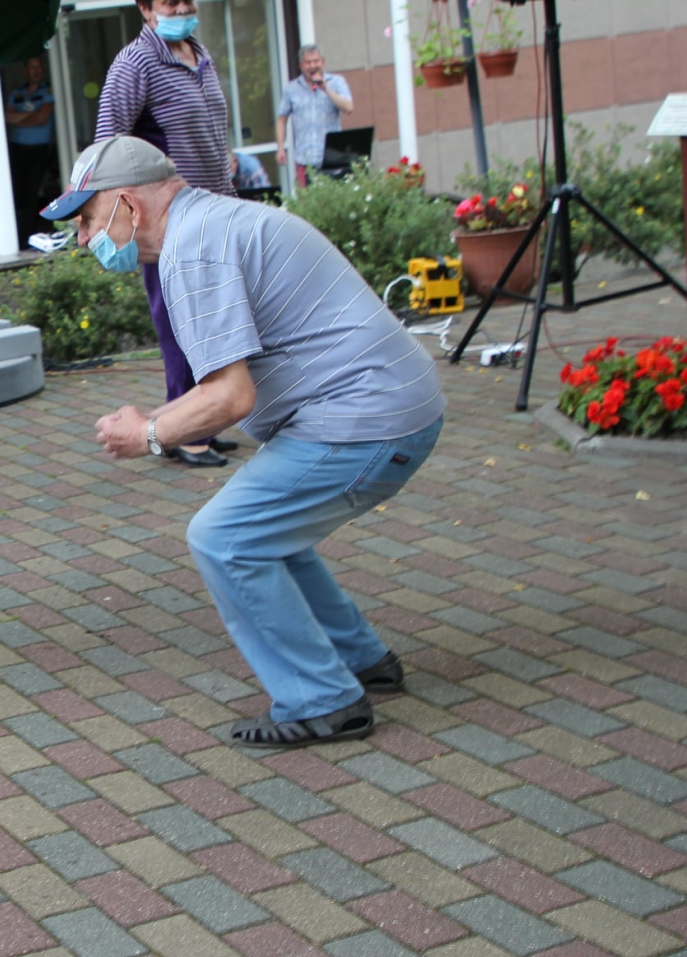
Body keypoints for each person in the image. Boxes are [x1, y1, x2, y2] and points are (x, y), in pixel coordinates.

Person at [45, 136, 446, 747]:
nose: (82, 239)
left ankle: (324, 702)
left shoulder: (192, 251)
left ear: (127, 203)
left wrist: (147, 435)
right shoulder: (209, 224)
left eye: (87, 219)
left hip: (368, 420)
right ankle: (361, 660)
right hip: (393, 406)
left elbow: (231, 398)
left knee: (224, 538)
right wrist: (157, 419)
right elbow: (225, 390)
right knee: (264, 530)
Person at [94, 0, 236, 470]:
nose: (181, 10)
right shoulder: (135, 63)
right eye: (170, 2)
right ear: (145, 7)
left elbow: (210, 129)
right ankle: (181, 434)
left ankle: (204, 423)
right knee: (179, 322)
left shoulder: (199, 54)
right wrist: (119, 213)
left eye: (187, 0)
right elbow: (108, 142)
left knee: (215, 322)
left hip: (214, 207)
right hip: (167, 217)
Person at [275, 45, 354, 187]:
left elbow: (348, 108)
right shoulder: (291, 89)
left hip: (331, 159)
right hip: (305, 160)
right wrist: (280, 147)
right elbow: (281, 119)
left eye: (316, 61)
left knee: (334, 197)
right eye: (308, 62)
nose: (312, 66)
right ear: (301, 65)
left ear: (322, 62)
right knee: (308, 199)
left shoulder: (336, 82)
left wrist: (326, 89)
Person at [5, 56, 56, 250]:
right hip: (17, 148)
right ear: (25, 70)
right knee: (17, 194)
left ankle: (29, 237)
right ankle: (19, 237)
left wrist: (20, 119)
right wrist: (31, 116)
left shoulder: (48, 91)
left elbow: (42, 117)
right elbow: (7, 116)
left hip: (38, 150)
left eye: (39, 67)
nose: (36, 71)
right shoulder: (17, 93)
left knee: (31, 193)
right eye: (32, 67)